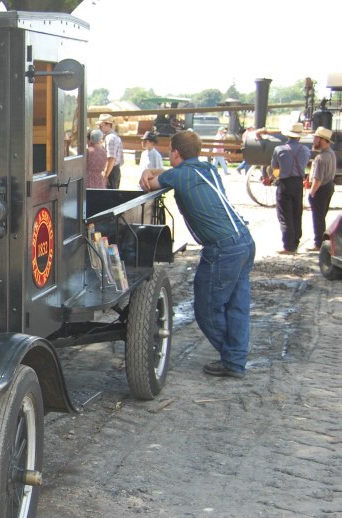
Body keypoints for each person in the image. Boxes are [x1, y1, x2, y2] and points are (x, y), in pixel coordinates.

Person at [140, 130, 255, 379]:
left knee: (207, 308)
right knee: (237, 305)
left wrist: (147, 172)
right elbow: (167, 173)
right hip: (244, 240)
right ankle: (236, 356)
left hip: (222, 249)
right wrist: (153, 170)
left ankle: (233, 357)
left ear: (175, 153)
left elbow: (150, 183)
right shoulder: (208, 169)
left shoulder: (179, 176)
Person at [271, 123, 310, 255]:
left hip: (285, 183)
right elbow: (306, 165)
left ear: (288, 135)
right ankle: (295, 242)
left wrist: (273, 177)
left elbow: (275, 168)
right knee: (297, 213)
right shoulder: (305, 150)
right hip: (298, 183)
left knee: (284, 215)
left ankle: (288, 246)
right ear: (299, 136)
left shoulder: (279, 149)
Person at [307, 126, 337, 252]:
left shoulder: (320, 158)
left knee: (318, 218)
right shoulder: (331, 153)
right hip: (329, 186)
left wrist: (311, 192)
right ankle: (322, 242)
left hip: (321, 188)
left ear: (323, 140)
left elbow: (318, 179)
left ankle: (318, 244)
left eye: (316, 138)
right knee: (321, 216)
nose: (314, 140)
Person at [98, 113, 124, 189]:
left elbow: (111, 159)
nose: (99, 127)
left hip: (111, 171)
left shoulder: (110, 138)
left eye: (101, 125)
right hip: (113, 170)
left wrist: (105, 175)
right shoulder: (113, 136)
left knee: (109, 194)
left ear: (108, 125)